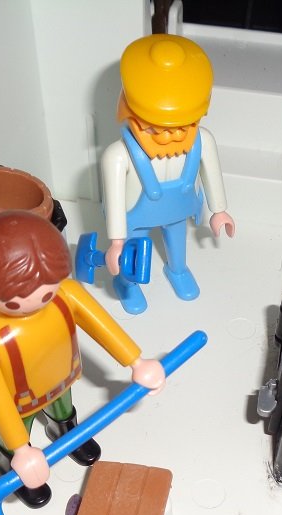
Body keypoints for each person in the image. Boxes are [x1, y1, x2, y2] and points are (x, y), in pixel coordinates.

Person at [0, 211, 165, 507]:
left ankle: (65, 433)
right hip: (16, 404)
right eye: (14, 299)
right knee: (15, 439)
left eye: (46, 289)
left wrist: (137, 361)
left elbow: (102, 325)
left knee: (64, 411)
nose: (34, 299)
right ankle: (10, 469)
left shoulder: (66, 294)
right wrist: (21, 450)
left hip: (60, 380)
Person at [101, 33, 236, 313]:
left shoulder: (202, 141)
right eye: (154, 128)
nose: (169, 136)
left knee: (177, 242)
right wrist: (116, 241)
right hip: (135, 217)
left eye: (182, 127)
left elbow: (212, 173)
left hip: (177, 211)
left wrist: (219, 210)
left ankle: (178, 270)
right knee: (133, 254)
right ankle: (127, 283)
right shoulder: (118, 155)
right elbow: (113, 200)